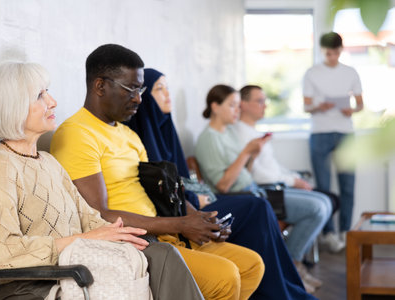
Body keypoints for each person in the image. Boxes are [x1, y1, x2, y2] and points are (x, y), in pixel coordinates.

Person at [50, 44, 265, 300]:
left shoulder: (128, 134)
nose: (139, 98)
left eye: (140, 89)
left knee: (252, 265)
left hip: (164, 232)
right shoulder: (77, 134)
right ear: (100, 86)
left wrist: (201, 220)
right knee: (224, 276)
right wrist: (181, 224)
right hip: (134, 245)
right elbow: (100, 215)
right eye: (130, 89)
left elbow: (160, 194)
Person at [0, 61, 203, 300]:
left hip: (77, 266)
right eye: (40, 96)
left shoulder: (48, 162)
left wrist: (118, 233)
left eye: (47, 92)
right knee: (158, 259)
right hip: (36, 285)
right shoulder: (0, 167)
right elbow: (5, 253)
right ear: (13, 107)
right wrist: (85, 239)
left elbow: (87, 217)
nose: (52, 102)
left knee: (157, 251)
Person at [126, 67, 318, 300]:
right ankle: (278, 291)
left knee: (262, 206)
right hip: (181, 212)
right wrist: (197, 198)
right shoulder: (140, 136)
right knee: (259, 207)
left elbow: (183, 178)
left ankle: (285, 287)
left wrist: (199, 194)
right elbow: (164, 187)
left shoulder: (167, 129)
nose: (168, 95)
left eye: (168, 88)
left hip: (196, 201)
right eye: (159, 89)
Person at [195, 84, 332, 294]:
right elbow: (223, 185)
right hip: (240, 196)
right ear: (215, 107)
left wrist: (252, 155)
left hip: (253, 189)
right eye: (232, 105)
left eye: (237, 106)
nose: (236, 111)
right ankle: (292, 268)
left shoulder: (228, 133)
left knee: (322, 201)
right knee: (316, 207)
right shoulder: (208, 138)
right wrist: (246, 153)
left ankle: (291, 272)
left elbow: (245, 173)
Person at [234, 85, 344, 253]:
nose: (265, 106)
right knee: (323, 203)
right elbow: (256, 174)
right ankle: (294, 260)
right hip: (267, 190)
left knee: (329, 200)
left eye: (265, 101)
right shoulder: (241, 134)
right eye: (259, 101)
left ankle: (298, 257)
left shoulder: (254, 132)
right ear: (243, 104)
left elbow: (274, 166)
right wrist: (292, 181)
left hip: (275, 185)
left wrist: (294, 178)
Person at [303, 32, 363, 243]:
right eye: (328, 53)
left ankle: (346, 231)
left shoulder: (350, 72)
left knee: (348, 185)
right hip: (320, 132)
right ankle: (328, 233)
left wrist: (352, 111)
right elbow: (306, 105)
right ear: (323, 51)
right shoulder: (312, 73)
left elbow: (360, 104)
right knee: (323, 185)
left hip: (345, 132)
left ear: (341, 50)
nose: (332, 57)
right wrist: (319, 107)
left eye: (336, 52)